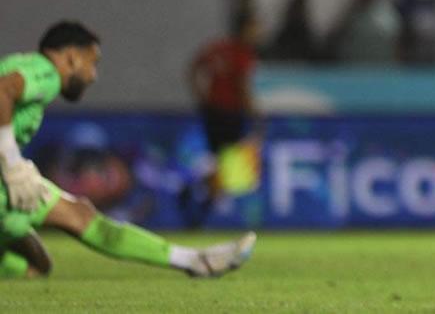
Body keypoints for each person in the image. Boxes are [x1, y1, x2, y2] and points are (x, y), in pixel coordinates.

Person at [0, 21, 255, 279]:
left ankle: (195, 261)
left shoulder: (27, 68)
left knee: (71, 228)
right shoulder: (45, 71)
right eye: (92, 62)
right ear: (72, 57)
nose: (93, 75)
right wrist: (11, 163)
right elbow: (2, 90)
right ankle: (195, 261)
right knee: (73, 225)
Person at [181, 9, 263, 226]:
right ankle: (203, 198)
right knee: (234, 164)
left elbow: (193, 69)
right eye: (256, 27)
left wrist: (202, 96)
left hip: (212, 112)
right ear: (245, 28)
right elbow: (242, 86)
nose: (259, 32)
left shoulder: (218, 48)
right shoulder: (243, 53)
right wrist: (254, 112)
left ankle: (196, 194)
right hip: (231, 113)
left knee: (221, 162)